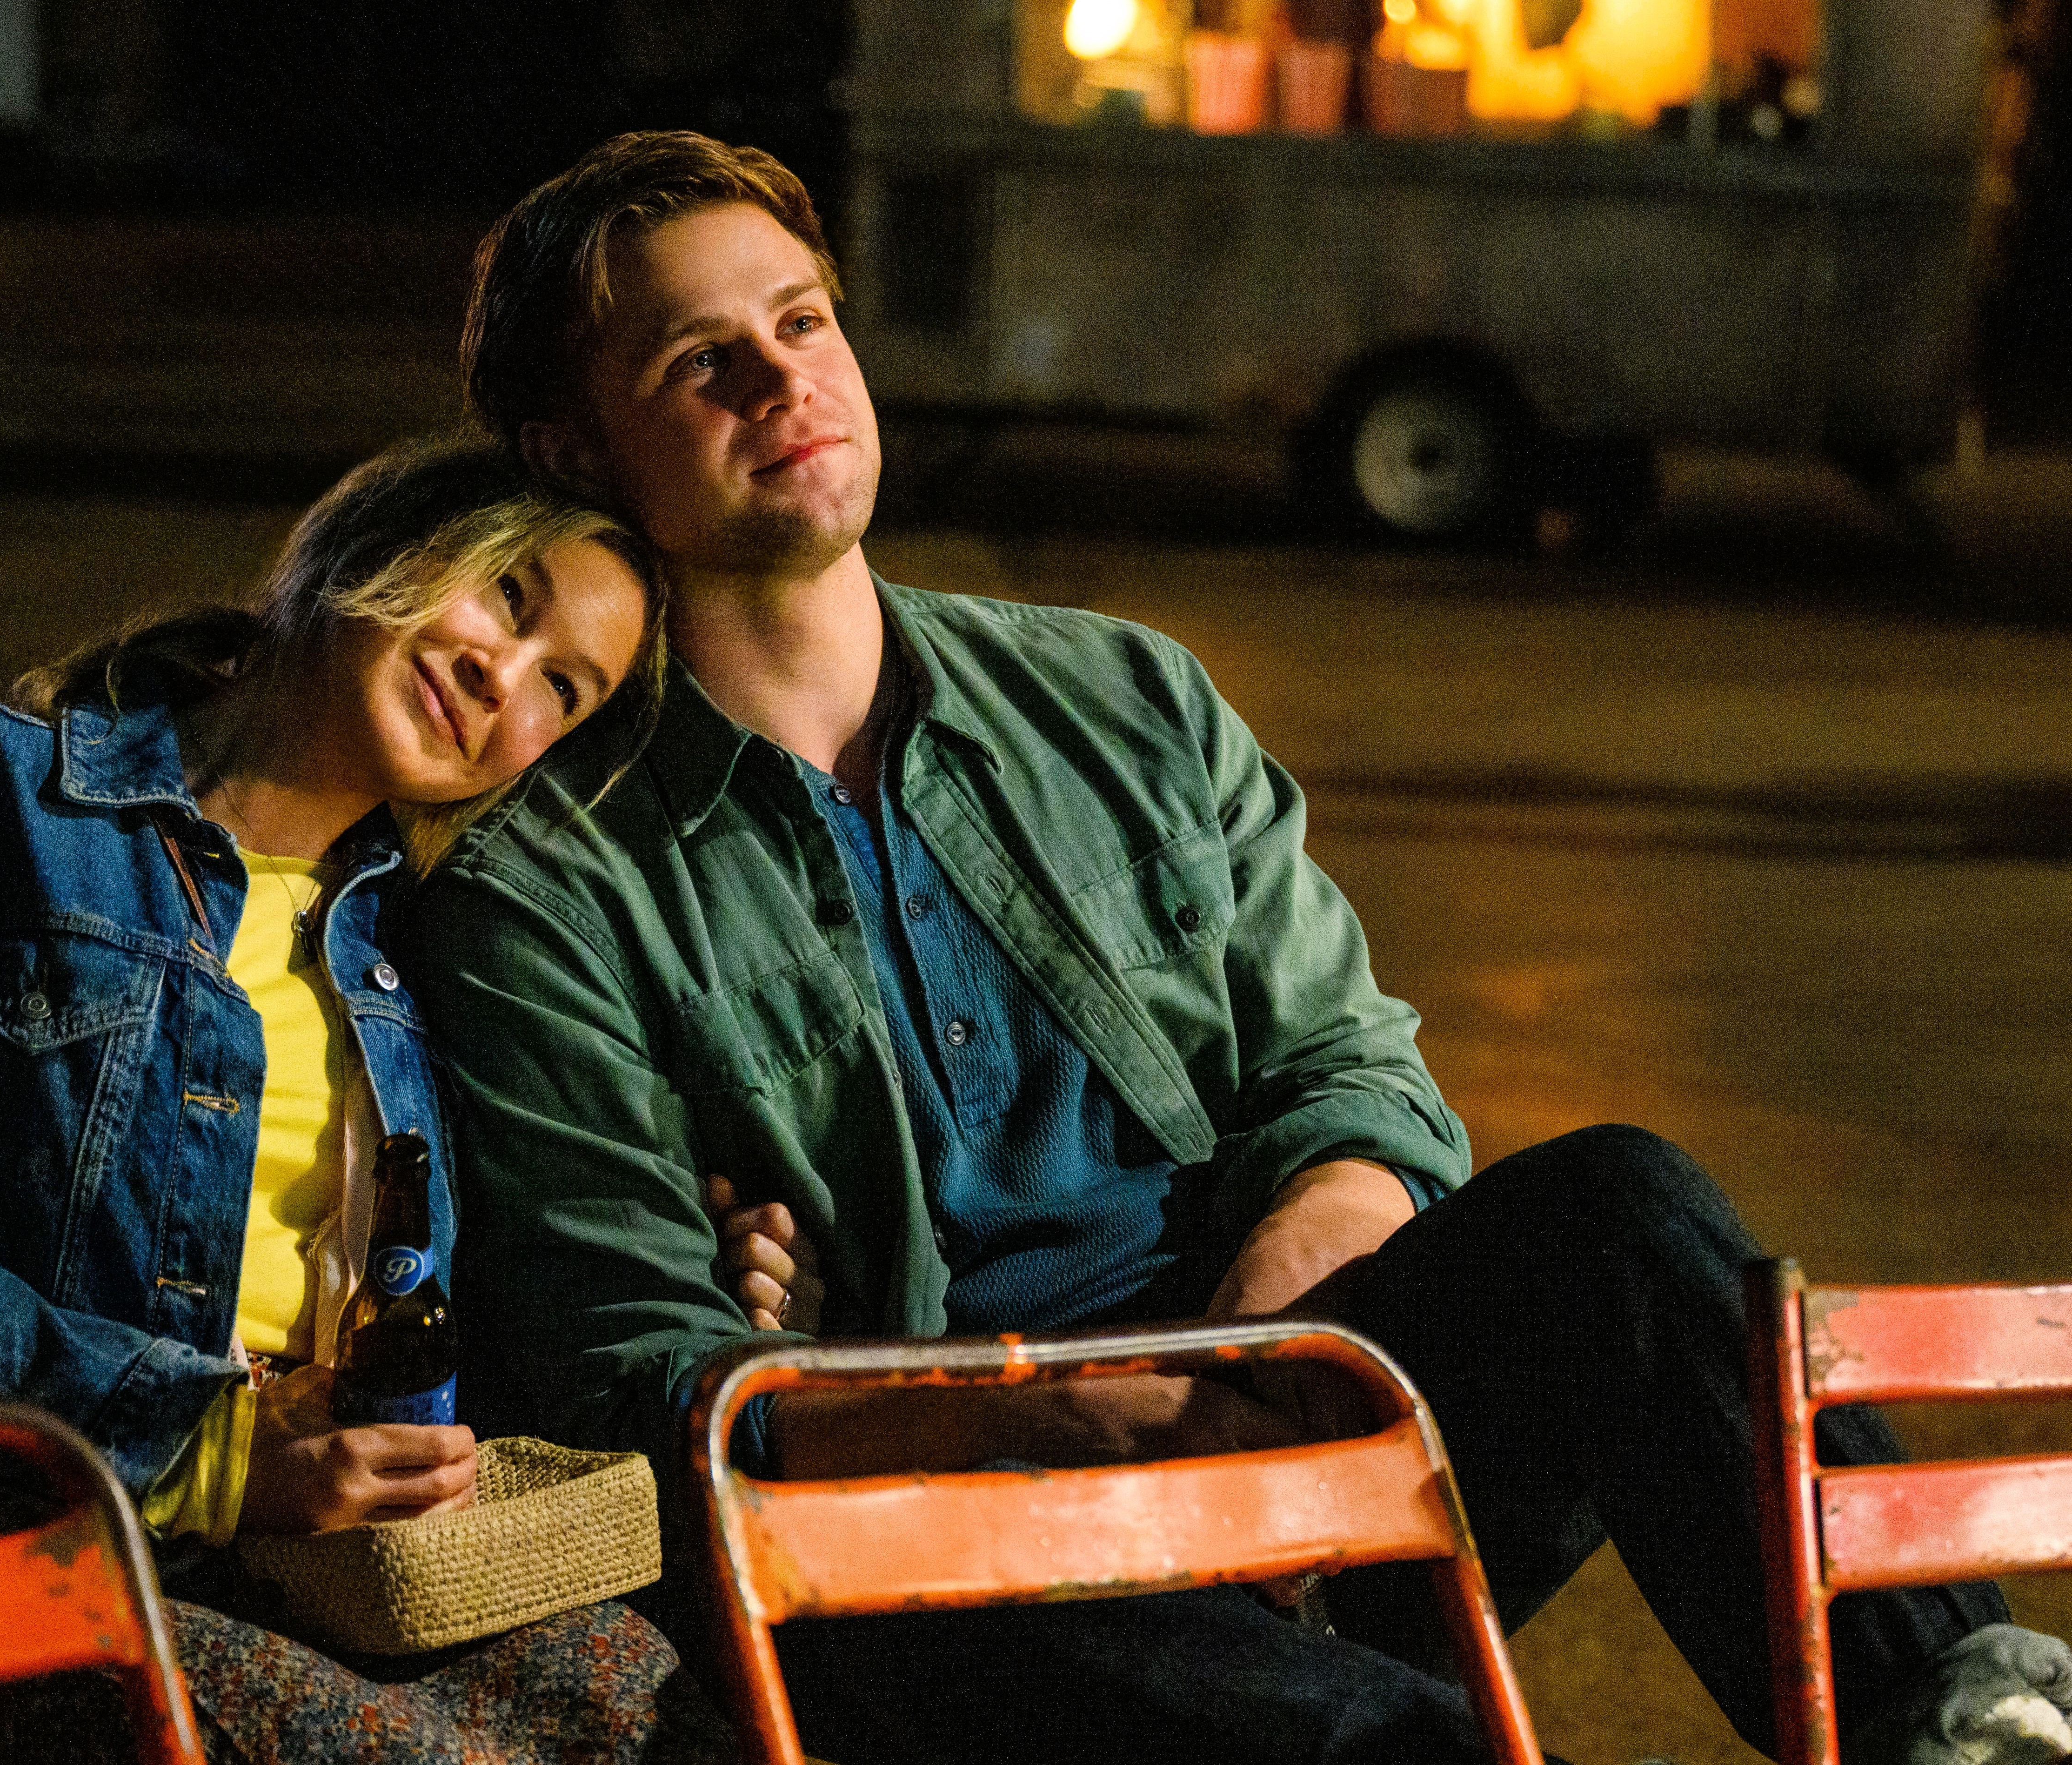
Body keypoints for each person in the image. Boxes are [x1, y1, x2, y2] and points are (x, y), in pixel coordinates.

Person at [401, 133, 2072, 1765]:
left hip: (1286, 1384)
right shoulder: (548, 890)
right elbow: (631, 1372)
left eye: (801, 317)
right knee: (1377, 1736)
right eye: (703, 360)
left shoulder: (1128, 699)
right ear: (575, 453)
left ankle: (1952, 1716)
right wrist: (1026, 1410)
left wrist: (1272, 1318)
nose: (783, 383)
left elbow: (1348, 1071)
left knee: (1616, 1208)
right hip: (942, 1534)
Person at [0, 439, 741, 1764]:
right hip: (13, 1556)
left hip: (332, 1570)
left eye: (563, 687)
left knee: (667, 1715)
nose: (502, 673)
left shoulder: (429, 948)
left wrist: (697, 1247)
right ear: (377, 541)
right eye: (508, 594)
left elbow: (482, 1306)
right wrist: (208, 1441)